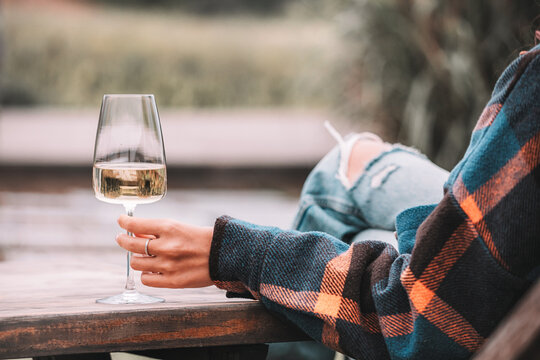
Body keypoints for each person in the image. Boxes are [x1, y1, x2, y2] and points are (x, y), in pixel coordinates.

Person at [115, 37, 540, 359]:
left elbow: (415, 315)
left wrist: (234, 251)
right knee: (355, 163)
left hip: (454, 307)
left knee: (339, 181)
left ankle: (275, 349)